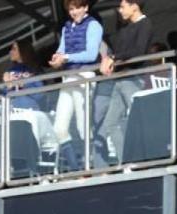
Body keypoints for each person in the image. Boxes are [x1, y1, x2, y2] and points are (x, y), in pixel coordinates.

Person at [96, 0, 153, 165]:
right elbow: (120, 51)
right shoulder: (125, 27)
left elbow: (138, 50)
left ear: (134, 6)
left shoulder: (145, 23)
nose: (120, 10)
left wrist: (114, 58)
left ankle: (147, 158)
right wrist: (110, 60)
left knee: (139, 119)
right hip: (120, 78)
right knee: (110, 124)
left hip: (133, 78)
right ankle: (126, 160)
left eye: (123, 6)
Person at [49, 0, 103, 172]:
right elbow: (62, 49)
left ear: (85, 7)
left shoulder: (93, 25)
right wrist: (57, 58)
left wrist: (66, 58)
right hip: (69, 76)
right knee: (59, 128)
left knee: (83, 125)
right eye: (71, 9)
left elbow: (91, 54)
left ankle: (91, 165)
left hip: (85, 75)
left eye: (77, 8)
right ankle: (75, 169)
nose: (73, 12)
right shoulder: (67, 27)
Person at [1, 40, 45, 110]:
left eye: (14, 49)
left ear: (23, 50)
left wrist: (23, 85)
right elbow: (3, 95)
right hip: (12, 111)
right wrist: (7, 86)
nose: (10, 52)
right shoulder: (9, 71)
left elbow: (40, 94)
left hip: (31, 111)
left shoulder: (34, 69)